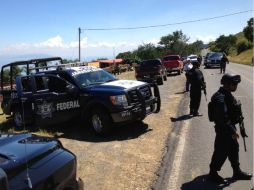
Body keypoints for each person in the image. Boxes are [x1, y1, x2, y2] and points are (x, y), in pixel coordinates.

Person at [208, 74, 252, 183]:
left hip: (229, 129)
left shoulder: (227, 94)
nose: (236, 86)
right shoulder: (220, 97)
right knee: (220, 152)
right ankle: (213, 173)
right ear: (227, 85)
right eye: (234, 84)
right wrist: (232, 131)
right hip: (224, 130)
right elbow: (223, 117)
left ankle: (237, 172)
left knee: (233, 149)